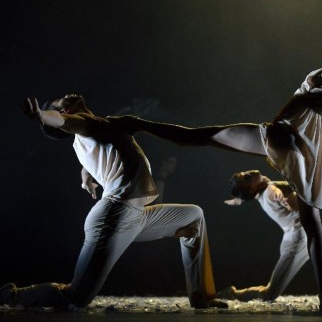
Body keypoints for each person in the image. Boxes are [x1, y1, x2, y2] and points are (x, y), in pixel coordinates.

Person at [112, 0, 322, 309]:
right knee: (312, 224)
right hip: (311, 143)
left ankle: (139, 125)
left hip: (287, 133)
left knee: (205, 136)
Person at [0, 95, 227, 310]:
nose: (65, 95)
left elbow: (92, 155)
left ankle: (202, 298)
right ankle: (11, 296)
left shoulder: (96, 130)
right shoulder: (84, 123)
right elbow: (60, 121)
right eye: (59, 101)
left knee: (194, 217)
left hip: (137, 215)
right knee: (76, 297)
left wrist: (86, 177)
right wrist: (41, 114)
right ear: (64, 111)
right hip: (114, 217)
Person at [217, 170, 322, 301]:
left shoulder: (261, 194)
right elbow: (273, 191)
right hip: (296, 243)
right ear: (252, 188)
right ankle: (232, 294)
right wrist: (278, 196)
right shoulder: (269, 191)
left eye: (248, 173)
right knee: (269, 294)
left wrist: (240, 198)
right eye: (248, 177)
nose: (253, 172)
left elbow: (269, 189)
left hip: (309, 236)